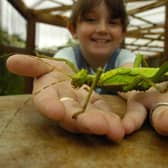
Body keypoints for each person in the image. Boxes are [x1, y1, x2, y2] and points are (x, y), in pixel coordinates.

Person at [6, 0, 168, 141]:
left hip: (147, 79)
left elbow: (128, 68)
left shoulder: (123, 57)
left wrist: (154, 87)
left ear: (123, 33)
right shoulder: (68, 54)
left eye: (113, 22)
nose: (102, 29)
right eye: (91, 20)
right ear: (73, 29)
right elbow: (65, 65)